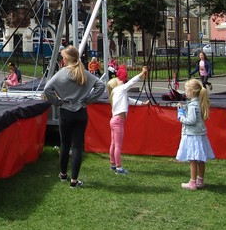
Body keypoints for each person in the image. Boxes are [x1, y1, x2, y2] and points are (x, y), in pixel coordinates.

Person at [43, 45, 106, 188]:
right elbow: (100, 85)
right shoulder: (84, 73)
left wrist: (57, 102)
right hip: (80, 112)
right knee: (77, 146)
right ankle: (74, 180)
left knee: (64, 144)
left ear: (65, 59)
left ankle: (63, 174)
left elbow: (47, 89)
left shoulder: (62, 73)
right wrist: (87, 100)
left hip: (65, 111)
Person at [107, 66, 148, 174]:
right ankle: (119, 167)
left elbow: (129, 100)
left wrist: (142, 104)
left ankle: (112, 164)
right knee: (118, 145)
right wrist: (141, 73)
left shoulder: (116, 92)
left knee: (113, 144)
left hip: (114, 120)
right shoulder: (121, 89)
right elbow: (131, 83)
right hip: (118, 121)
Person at [176, 78, 215, 190]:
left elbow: (191, 120)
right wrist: (183, 108)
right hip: (200, 135)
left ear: (192, 92)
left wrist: (181, 117)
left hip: (193, 135)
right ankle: (200, 180)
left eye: (186, 90)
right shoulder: (198, 103)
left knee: (193, 159)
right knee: (200, 159)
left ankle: (192, 182)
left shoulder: (193, 105)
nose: (185, 92)